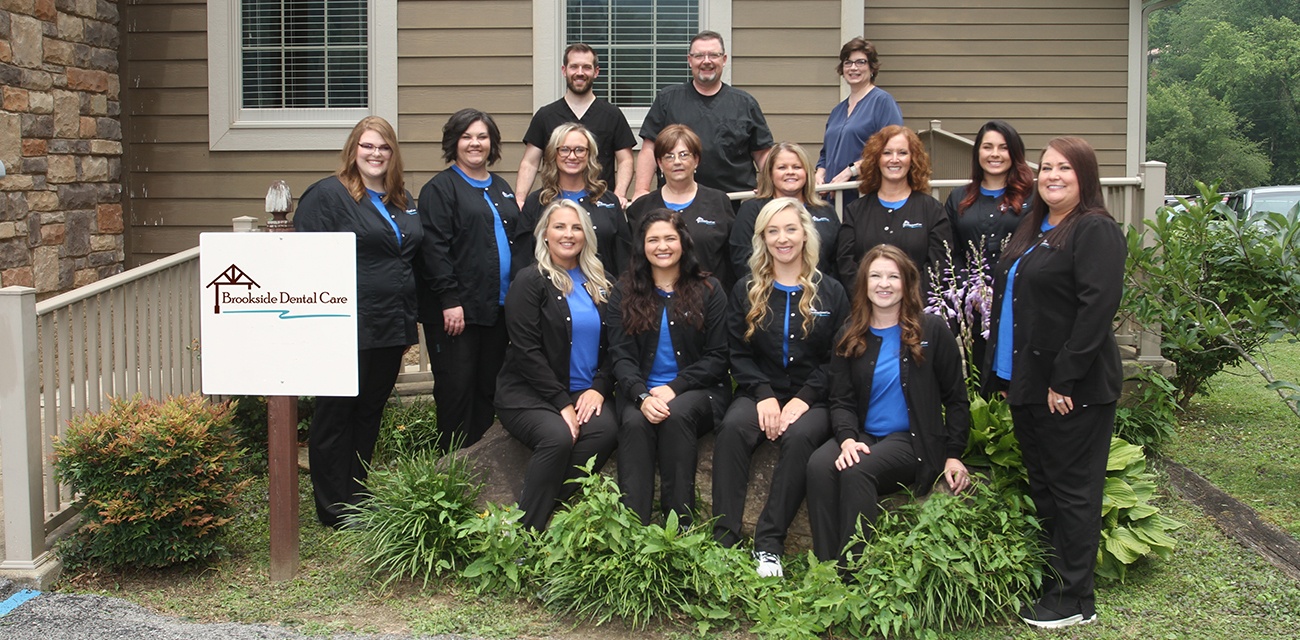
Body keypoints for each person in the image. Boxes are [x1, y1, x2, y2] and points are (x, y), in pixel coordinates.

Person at [982, 137, 1126, 629]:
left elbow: (1096, 311)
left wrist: (1064, 379)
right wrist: (1003, 377)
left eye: (1064, 167)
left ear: (1084, 175)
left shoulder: (1094, 230)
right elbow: (1014, 308)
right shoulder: (1034, 227)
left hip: (1071, 391)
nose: (1053, 175)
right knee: (1045, 487)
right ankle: (1054, 581)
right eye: (1046, 168)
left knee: (1073, 492)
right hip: (1027, 384)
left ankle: (1074, 600)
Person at [806, 245, 971, 565]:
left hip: (912, 440)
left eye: (893, 276)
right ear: (864, 284)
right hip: (865, 435)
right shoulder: (850, 332)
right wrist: (848, 439)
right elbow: (840, 399)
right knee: (819, 465)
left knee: (858, 471)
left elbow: (956, 398)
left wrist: (954, 455)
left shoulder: (932, 329)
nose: (884, 284)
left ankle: (852, 569)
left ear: (908, 283)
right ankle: (826, 565)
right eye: (876, 276)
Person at [294, 116, 421, 529]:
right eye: (367, 146)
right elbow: (307, 261)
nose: (376, 154)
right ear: (354, 150)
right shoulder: (329, 196)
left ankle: (356, 496)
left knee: (369, 412)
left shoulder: (402, 198)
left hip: (390, 324)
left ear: (393, 153)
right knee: (336, 414)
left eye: (383, 147)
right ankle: (332, 507)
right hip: (344, 323)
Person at [711, 197, 849, 578]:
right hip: (760, 390)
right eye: (773, 231)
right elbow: (736, 352)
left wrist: (803, 400)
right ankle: (723, 538)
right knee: (733, 428)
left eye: (790, 229)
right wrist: (764, 394)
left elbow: (837, 358)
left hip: (814, 397)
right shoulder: (746, 289)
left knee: (801, 437)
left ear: (806, 233)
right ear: (763, 238)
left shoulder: (832, 292)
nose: (783, 238)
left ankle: (769, 544)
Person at [496, 200, 620, 531]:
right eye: (560, 227)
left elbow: (617, 348)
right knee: (558, 437)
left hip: (584, 392)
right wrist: (562, 403)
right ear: (545, 235)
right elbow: (526, 351)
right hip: (528, 393)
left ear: (586, 235)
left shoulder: (604, 283)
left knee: (606, 431)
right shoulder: (530, 281)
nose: (568, 234)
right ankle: (526, 534)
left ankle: (545, 507)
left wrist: (598, 388)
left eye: (576, 227)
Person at [608, 209, 730, 526]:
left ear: (683, 242)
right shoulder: (624, 291)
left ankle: (679, 525)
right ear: (642, 247)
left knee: (676, 416)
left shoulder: (710, 290)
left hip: (698, 392)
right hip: (640, 391)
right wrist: (642, 395)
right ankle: (632, 526)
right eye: (653, 240)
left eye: (669, 238)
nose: (662, 246)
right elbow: (619, 355)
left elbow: (718, 356)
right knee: (634, 424)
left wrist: (674, 388)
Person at [417, 108, 528, 451]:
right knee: (456, 389)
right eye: (467, 136)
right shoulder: (440, 189)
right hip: (459, 314)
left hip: (497, 309)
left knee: (487, 388)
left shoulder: (502, 187)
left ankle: (479, 462)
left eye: (482, 136)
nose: (475, 143)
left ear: (492, 142)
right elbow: (434, 249)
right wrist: (450, 300)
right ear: (454, 142)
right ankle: (450, 467)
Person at [633, 30, 773, 202]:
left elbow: (762, 153)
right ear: (689, 60)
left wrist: (771, 186)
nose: (706, 61)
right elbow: (649, 149)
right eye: (699, 56)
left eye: (713, 55)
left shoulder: (745, 103)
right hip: (677, 200)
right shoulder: (667, 99)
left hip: (734, 201)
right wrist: (641, 189)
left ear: (724, 59)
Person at [834, 125, 952, 295]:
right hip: (866, 310)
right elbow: (845, 263)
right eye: (887, 153)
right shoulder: (855, 211)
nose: (894, 159)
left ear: (913, 159)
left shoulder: (932, 210)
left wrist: (908, 300)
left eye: (902, 153)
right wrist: (869, 298)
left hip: (916, 310)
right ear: (876, 159)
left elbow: (939, 265)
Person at [517, 43, 637, 208]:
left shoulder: (612, 115)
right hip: (555, 205)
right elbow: (530, 162)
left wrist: (619, 195)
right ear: (564, 70)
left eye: (586, 67)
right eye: (574, 67)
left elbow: (625, 160)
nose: (580, 73)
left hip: (599, 205)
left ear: (596, 72)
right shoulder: (545, 116)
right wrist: (520, 199)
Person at [626, 125, 736, 290]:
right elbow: (633, 262)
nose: (677, 161)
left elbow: (731, 259)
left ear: (696, 160)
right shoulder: (641, 208)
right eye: (669, 156)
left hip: (709, 299)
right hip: (653, 302)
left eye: (684, 155)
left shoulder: (719, 202)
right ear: (660, 164)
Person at [520, 123, 633, 279]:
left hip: (602, 293)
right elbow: (522, 257)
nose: (572, 156)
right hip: (548, 295)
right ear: (554, 154)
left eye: (580, 150)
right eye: (564, 149)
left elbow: (624, 258)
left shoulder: (609, 201)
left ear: (589, 155)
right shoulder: (538, 202)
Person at [730, 142, 840, 282]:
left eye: (797, 167)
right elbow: (741, 259)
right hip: (765, 293)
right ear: (770, 173)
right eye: (782, 167)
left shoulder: (825, 211)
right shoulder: (752, 210)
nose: (790, 172)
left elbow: (836, 260)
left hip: (819, 292)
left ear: (806, 172)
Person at [816, 38, 904, 208]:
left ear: (872, 68)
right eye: (848, 63)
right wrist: (820, 173)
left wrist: (851, 171)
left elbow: (891, 148)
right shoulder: (837, 111)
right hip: (833, 199)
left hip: (865, 195)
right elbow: (825, 154)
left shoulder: (882, 102)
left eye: (860, 62)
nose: (853, 68)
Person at [944, 120, 1034, 274]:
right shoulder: (958, 197)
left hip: (1017, 290)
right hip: (970, 292)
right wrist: (968, 286)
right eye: (987, 147)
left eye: (1004, 148)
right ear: (978, 152)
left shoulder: (1032, 196)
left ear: (1015, 152)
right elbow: (950, 250)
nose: (995, 154)